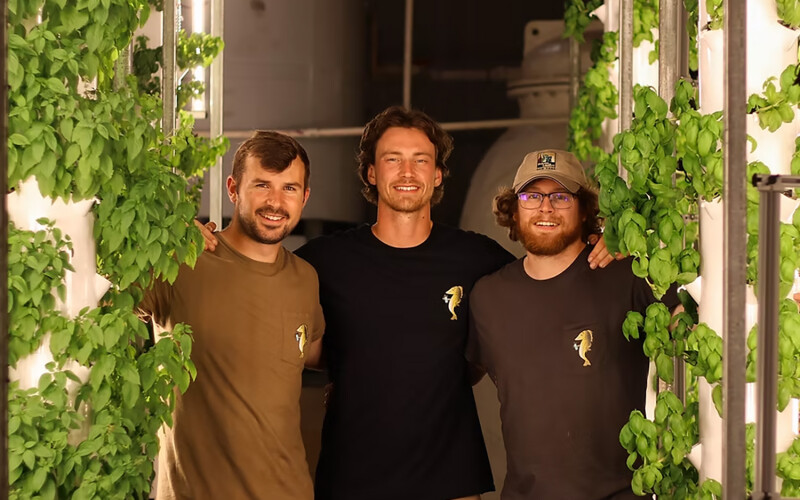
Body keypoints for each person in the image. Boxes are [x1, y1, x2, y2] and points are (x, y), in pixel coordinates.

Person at [199, 108, 616, 499]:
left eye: (420, 160)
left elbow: (548, 277)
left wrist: (600, 243)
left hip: (451, 480)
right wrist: (200, 244)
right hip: (352, 480)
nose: (407, 172)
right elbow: (262, 289)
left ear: (437, 174)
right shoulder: (323, 262)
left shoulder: (476, 259)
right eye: (392, 159)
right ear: (371, 172)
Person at [467, 149, 681, 500]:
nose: (545, 208)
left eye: (561, 196)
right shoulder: (487, 297)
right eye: (531, 196)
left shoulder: (625, 274)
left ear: (584, 210)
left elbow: (692, 324)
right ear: (514, 210)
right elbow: (453, 383)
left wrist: (646, 243)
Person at [137, 131, 325, 500]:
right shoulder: (184, 260)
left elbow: (314, 353)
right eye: (262, 185)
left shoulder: (305, 278)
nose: (276, 202)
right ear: (233, 189)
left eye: (289, 188)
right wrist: (155, 240)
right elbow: (97, 305)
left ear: (304, 197)